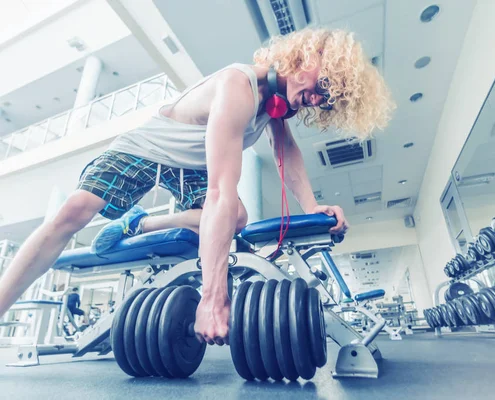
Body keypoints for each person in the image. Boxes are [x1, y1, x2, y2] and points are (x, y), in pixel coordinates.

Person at [0, 27, 394, 346]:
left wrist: (312, 208)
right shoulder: (238, 85)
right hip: (148, 148)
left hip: (193, 168)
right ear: (305, 57)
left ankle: (144, 224)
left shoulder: (276, 105)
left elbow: (286, 148)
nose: (316, 100)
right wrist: (213, 297)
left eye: (325, 101)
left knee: (237, 218)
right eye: (321, 86)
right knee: (72, 213)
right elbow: (222, 190)